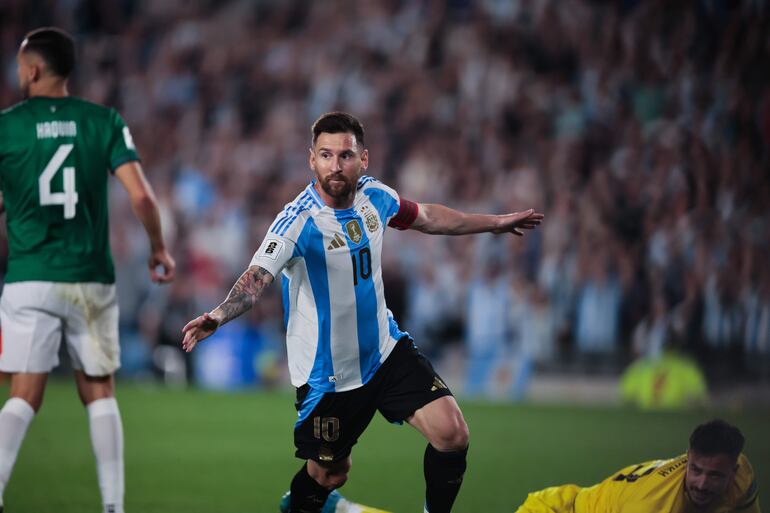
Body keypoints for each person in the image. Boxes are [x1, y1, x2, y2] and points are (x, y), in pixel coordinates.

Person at [182, 111, 543, 513]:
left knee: (452, 434)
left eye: (345, 155)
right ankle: (305, 503)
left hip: (385, 352)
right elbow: (256, 279)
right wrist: (217, 315)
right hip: (329, 376)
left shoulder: (375, 196)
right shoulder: (297, 222)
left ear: (363, 159)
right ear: (311, 160)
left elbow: (427, 216)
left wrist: (492, 224)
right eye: (326, 155)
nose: (335, 166)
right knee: (330, 474)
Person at [0, 27, 175, 513]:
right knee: (99, 392)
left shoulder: (6, 126)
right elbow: (140, 195)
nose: (18, 73)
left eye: (19, 65)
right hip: (89, 278)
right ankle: (114, 507)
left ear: (33, 69)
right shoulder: (103, 121)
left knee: (23, 395)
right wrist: (158, 248)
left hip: (29, 276)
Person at [515, 419, 760, 513]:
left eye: (715, 475)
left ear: (734, 470)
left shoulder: (743, 477)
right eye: (695, 470)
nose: (702, 484)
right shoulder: (652, 504)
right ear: (687, 458)